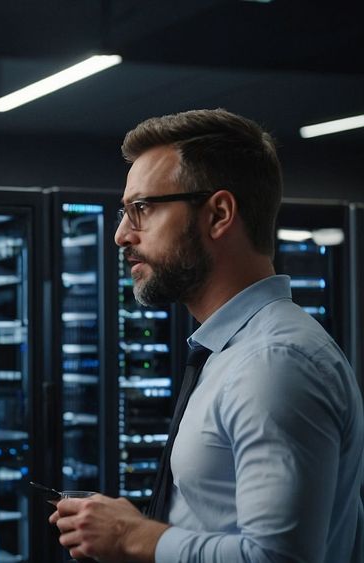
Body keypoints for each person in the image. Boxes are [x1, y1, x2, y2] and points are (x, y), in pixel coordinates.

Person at [49, 108, 364, 562]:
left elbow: (277, 558)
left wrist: (130, 536)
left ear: (219, 214)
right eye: (125, 212)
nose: (121, 234)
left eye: (142, 209)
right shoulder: (231, 351)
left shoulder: (275, 362)